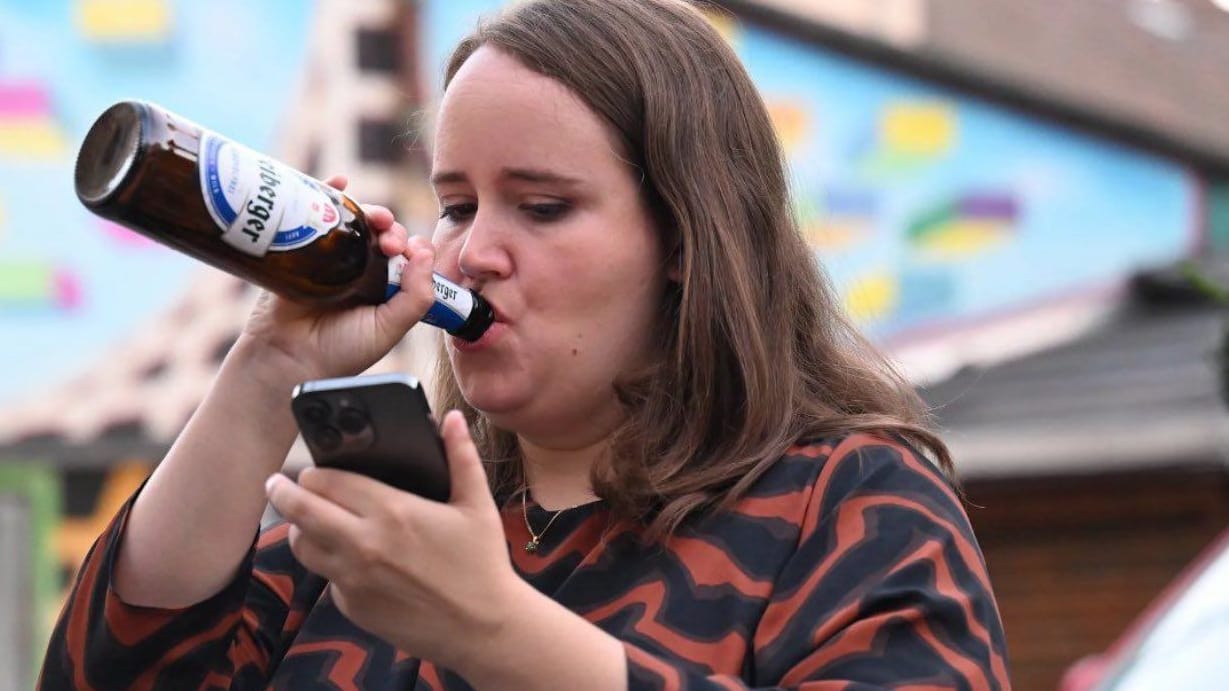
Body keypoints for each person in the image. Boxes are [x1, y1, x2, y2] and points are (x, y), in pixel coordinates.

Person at [39, 0, 1011, 688]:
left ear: (685, 238)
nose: (472, 250)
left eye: (541, 206)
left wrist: (493, 630)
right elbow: (119, 668)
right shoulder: (384, 524)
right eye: (454, 203)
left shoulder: (845, 499)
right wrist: (266, 368)